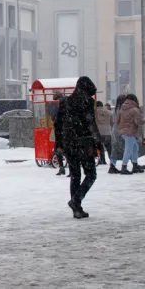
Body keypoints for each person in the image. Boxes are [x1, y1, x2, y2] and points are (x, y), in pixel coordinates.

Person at [54, 76, 102, 219]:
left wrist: (59, 144)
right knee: (91, 175)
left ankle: (77, 208)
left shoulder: (66, 102)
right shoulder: (88, 102)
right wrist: (97, 142)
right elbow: (90, 123)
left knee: (75, 175)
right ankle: (76, 200)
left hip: (69, 144)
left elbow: (58, 124)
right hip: (84, 143)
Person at [117, 94, 145, 174]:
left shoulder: (122, 109)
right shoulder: (134, 109)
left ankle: (135, 165)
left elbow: (117, 120)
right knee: (128, 149)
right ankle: (124, 167)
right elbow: (138, 121)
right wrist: (144, 121)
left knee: (134, 147)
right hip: (130, 132)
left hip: (122, 131)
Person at [108, 95, 128, 174]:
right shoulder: (122, 109)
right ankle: (127, 164)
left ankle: (112, 165)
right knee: (128, 148)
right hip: (120, 130)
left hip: (114, 130)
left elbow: (112, 121)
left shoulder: (115, 109)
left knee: (114, 149)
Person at [95, 101, 112, 166]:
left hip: (98, 133)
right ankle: (111, 160)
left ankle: (102, 160)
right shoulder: (109, 113)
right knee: (109, 148)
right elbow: (112, 123)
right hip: (107, 132)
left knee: (100, 146)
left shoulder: (94, 113)